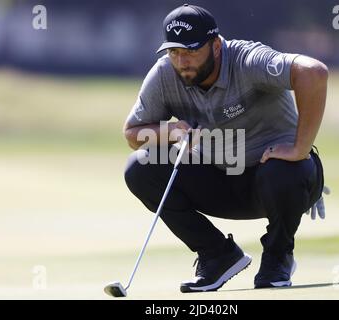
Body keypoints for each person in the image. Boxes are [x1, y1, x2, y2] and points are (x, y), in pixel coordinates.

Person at [122, 4, 327, 293]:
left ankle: (278, 256)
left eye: (191, 51)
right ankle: (217, 255)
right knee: (139, 166)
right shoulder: (166, 74)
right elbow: (132, 133)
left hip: (278, 180)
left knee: (283, 170)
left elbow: (314, 73)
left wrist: (300, 148)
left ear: (216, 45)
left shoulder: (247, 60)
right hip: (220, 180)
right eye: (174, 52)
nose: (181, 61)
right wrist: (170, 131)